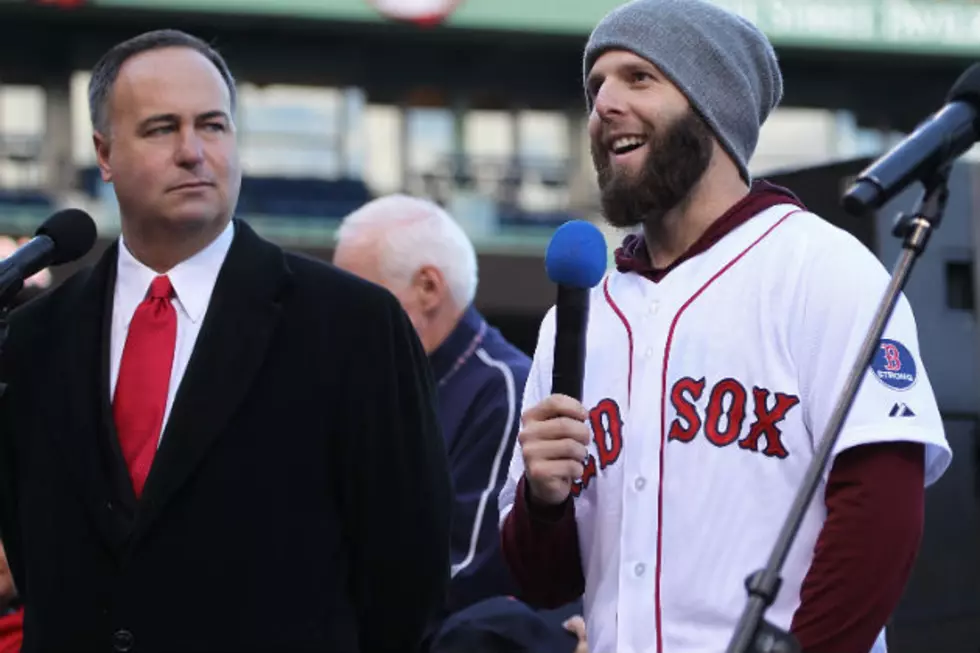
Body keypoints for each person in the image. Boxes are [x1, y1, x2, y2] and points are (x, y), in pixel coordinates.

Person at [497, 2, 953, 653]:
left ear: (712, 106)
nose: (604, 105)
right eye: (596, 87)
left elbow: (881, 512)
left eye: (638, 77)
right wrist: (544, 502)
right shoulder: (577, 317)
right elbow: (546, 581)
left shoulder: (820, 268)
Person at [0, 29, 451, 653]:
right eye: (161, 128)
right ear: (103, 154)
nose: (193, 151)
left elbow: (408, 575)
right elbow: (37, 557)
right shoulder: (33, 339)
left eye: (212, 125)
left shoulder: (356, 327)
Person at [333, 194, 528, 616]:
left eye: (353, 299)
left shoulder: (506, 390)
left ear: (428, 288)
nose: (337, 319)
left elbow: (467, 574)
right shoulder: (378, 384)